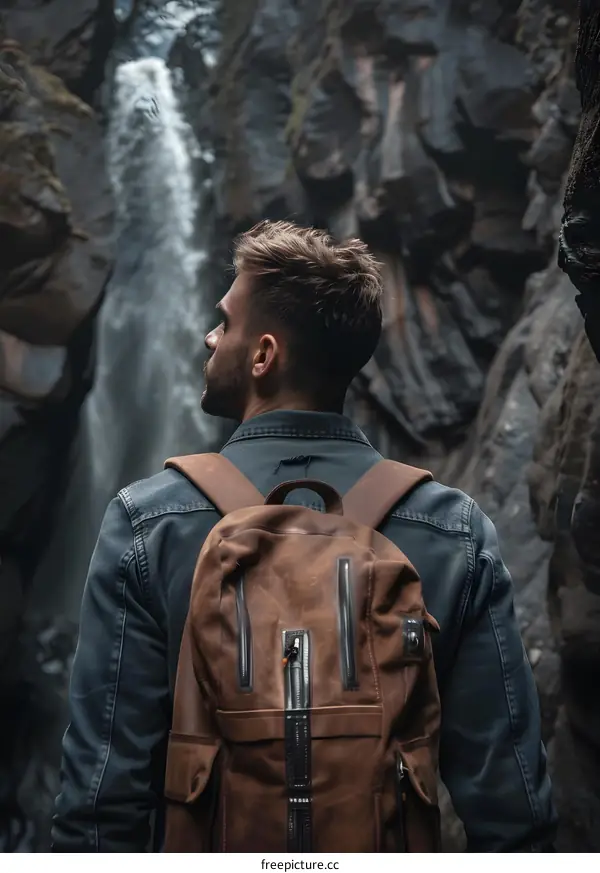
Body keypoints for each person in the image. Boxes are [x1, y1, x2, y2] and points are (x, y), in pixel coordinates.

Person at [51, 220, 557, 852]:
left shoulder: (146, 524)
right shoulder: (454, 531)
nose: (209, 337)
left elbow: (101, 801)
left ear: (263, 355)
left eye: (225, 323)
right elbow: (513, 813)